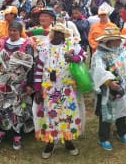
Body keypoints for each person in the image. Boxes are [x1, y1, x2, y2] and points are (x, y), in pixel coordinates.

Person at [33, 24, 86, 159]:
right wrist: (38, 90)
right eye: (56, 32)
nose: (58, 35)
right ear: (52, 33)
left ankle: (68, 140)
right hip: (50, 89)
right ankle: (50, 142)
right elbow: (39, 69)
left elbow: (84, 56)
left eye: (60, 33)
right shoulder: (44, 47)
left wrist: (74, 58)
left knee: (67, 113)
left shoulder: (71, 46)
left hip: (66, 89)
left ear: (64, 35)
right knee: (51, 115)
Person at [0, 21, 36, 150]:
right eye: (11, 30)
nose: (12, 33)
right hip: (2, 82)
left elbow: (31, 66)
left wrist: (30, 84)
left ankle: (17, 133)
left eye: (15, 30)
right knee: (2, 105)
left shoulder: (27, 45)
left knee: (17, 107)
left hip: (19, 84)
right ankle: (3, 129)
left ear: (20, 31)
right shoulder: (2, 43)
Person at [91, 27, 126, 151]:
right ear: (108, 41)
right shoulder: (99, 54)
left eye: (120, 39)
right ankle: (103, 137)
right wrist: (109, 82)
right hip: (108, 90)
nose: (120, 41)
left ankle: (122, 132)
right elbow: (98, 70)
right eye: (116, 39)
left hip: (123, 86)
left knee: (122, 109)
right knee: (107, 113)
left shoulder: (124, 50)